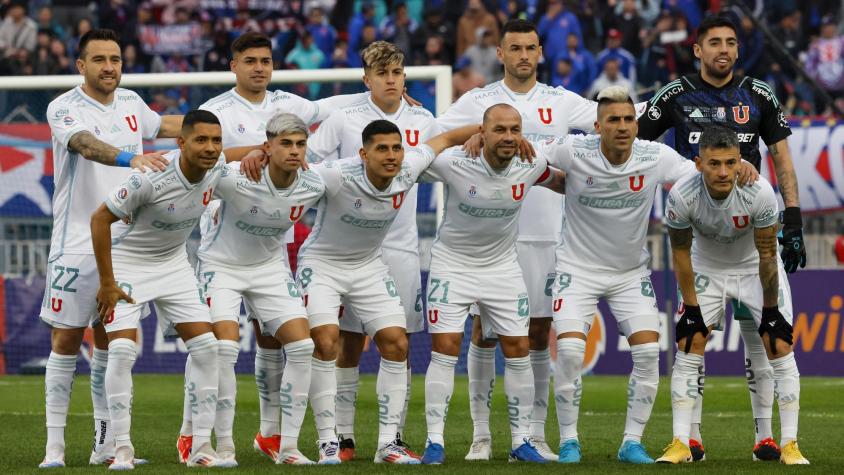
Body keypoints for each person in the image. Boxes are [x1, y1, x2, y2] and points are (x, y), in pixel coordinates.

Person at [179, 31, 370, 464]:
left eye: (265, 60)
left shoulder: (292, 112)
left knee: (292, 346)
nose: (259, 68)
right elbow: (199, 154)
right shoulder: (217, 111)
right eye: (250, 60)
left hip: (270, 255)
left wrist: (385, 99)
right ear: (234, 65)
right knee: (219, 347)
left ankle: (279, 443)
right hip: (223, 252)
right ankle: (202, 438)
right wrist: (247, 155)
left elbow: (334, 108)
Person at [541, 86, 753, 464]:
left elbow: (703, 172)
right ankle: (570, 441)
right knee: (571, 351)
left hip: (629, 273)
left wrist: (742, 169)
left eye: (628, 120)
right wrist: (479, 138)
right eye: (614, 120)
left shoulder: (654, 155)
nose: (623, 127)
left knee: (647, 352)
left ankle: (631, 442)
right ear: (597, 126)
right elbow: (522, 151)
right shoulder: (573, 151)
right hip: (577, 269)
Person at [637, 13, 806, 462]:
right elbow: (636, 146)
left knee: (765, 338)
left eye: (731, 41)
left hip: (754, 235)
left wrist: (794, 220)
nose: (724, 49)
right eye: (714, 42)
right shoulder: (674, 94)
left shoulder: (759, 94)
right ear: (698, 49)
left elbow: (782, 160)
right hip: (703, 238)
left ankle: (767, 438)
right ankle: (688, 439)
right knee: (693, 335)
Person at [436, 19, 597, 461]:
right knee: (484, 334)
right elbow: (434, 134)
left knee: (538, 334)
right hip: (489, 242)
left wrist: (674, 97)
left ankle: (533, 434)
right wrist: (465, 134)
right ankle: (481, 436)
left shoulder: (562, 101)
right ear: (500, 53)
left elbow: (616, 119)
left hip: (548, 236)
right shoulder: (478, 101)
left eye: (530, 47)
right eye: (515, 48)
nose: (524, 55)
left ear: (540, 52)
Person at [38, 28, 180, 469]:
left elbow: (173, 126)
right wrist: (129, 157)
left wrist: (229, 120)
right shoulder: (62, 107)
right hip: (76, 243)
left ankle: (106, 444)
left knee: (110, 344)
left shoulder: (134, 103)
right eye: (99, 59)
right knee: (64, 340)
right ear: (81, 66)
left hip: (126, 246)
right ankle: (54, 449)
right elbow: (84, 145)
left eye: (115, 59)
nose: (109, 67)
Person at [298, 120, 479, 464]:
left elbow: (442, 139)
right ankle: (327, 442)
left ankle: (387, 445)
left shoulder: (408, 168)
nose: (392, 155)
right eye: (382, 148)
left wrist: (482, 132)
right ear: (363, 154)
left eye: (397, 148)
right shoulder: (335, 174)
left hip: (368, 265)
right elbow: (290, 170)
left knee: (397, 342)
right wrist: (257, 158)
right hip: (322, 263)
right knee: (325, 342)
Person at [305, 40, 440, 461]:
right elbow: (307, 159)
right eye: (382, 74)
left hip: (400, 247)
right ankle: (342, 437)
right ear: (367, 79)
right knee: (344, 343)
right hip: (345, 247)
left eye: (397, 73)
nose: (391, 80)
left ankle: (392, 438)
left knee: (397, 343)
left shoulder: (423, 118)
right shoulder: (344, 116)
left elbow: (443, 158)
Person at [419, 103, 565, 465]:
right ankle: (434, 442)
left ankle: (520, 441)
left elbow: (564, 182)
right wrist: (459, 135)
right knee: (446, 346)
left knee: (519, 346)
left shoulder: (531, 164)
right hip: (453, 265)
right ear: (481, 133)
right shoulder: (455, 161)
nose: (509, 137)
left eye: (515, 130)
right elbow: (418, 155)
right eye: (499, 130)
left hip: (502, 267)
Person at [656, 126, 809, 465]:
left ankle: (790, 445)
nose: (723, 172)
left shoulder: (760, 193)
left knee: (779, 343)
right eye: (714, 164)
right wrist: (692, 307)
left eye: (729, 163)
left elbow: (768, 256)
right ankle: (682, 442)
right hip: (706, 267)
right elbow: (680, 254)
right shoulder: (682, 195)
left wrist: (770, 309)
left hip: (753, 267)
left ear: (741, 161)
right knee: (689, 340)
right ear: (699, 164)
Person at [90, 110, 228, 470]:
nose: (211, 148)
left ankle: (200, 447)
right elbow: (99, 219)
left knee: (208, 347)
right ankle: (122, 450)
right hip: (128, 264)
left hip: (174, 265)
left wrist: (262, 150)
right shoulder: (148, 177)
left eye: (216, 140)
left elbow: (239, 154)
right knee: (121, 351)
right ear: (181, 143)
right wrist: (107, 282)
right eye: (201, 140)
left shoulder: (217, 164)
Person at [193, 113, 325, 465]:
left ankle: (289, 448)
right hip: (221, 267)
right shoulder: (237, 177)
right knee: (223, 350)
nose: (294, 151)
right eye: (285, 144)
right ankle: (221, 447)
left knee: (302, 346)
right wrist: (242, 154)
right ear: (267, 147)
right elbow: (195, 161)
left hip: (269, 269)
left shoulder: (315, 183)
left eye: (300, 144)